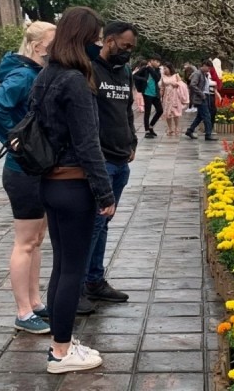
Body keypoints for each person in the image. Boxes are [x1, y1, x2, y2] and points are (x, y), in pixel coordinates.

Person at [32, 6, 115, 374]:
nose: (99, 44)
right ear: (83, 39)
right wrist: (105, 193)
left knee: (61, 267)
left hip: (50, 183)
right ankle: (61, 352)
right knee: (72, 271)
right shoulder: (76, 81)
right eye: (96, 38)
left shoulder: (46, 75)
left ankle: (59, 343)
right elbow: (87, 145)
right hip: (74, 184)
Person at [0, 21, 56, 335]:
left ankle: (35, 302)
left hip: (35, 166)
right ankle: (23, 311)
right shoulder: (24, 74)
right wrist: (13, 140)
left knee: (36, 242)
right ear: (38, 45)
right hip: (22, 169)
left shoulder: (35, 73)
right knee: (25, 243)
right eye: (53, 42)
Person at [83, 21, 138, 313]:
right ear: (110, 40)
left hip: (120, 158)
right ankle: (79, 285)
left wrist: (132, 141)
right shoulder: (91, 69)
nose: (127, 53)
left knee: (103, 223)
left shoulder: (124, 72)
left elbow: (126, 109)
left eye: (131, 49)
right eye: (125, 46)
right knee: (92, 224)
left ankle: (95, 280)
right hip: (101, 159)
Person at [185, 59, 219, 141]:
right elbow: (193, 85)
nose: (209, 70)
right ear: (204, 65)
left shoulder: (204, 74)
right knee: (207, 115)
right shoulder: (198, 73)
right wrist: (202, 94)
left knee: (200, 116)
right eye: (208, 68)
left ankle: (190, 130)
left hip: (205, 96)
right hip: (200, 97)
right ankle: (208, 134)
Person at [136, 55, 163, 138]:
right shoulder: (144, 69)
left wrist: (150, 69)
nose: (158, 64)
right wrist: (144, 80)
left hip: (155, 93)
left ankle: (151, 126)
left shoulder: (157, 70)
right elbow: (135, 76)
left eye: (159, 62)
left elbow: (157, 78)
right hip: (147, 93)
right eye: (157, 61)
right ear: (152, 61)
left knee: (160, 110)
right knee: (147, 112)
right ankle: (147, 131)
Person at [160, 62, 187, 136]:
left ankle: (177, 127)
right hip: (167, 97)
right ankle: (170, 128)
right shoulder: (163, 77)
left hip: (175, 96)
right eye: (164, 68)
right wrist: (160, 95)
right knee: (167, 113)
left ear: (170, 68)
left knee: (175, 113)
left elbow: (182, 85)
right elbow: (162, 87)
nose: (164, 70)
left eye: (166, 68)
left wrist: (177, 84)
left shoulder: (176, 75)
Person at [130, 59, 147, 124]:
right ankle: (141, 107)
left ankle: (141, 107)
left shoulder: (140, 69)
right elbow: (133, 75)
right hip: (140, 85)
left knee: (139, 96)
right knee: (140, 96)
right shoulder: (139, 69)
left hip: (139, 85)